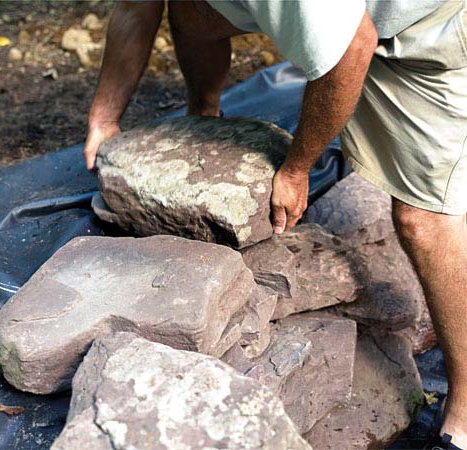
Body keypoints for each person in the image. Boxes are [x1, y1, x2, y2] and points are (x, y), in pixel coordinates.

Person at [83, 1, 467, 448]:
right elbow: (136, 5)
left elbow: (353, 47)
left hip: (427, 25)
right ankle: (204, 111)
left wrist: (296, 168)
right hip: (347, 21)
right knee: (192, 10)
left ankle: (464, 409)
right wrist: (105, 117)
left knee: (424, 218)